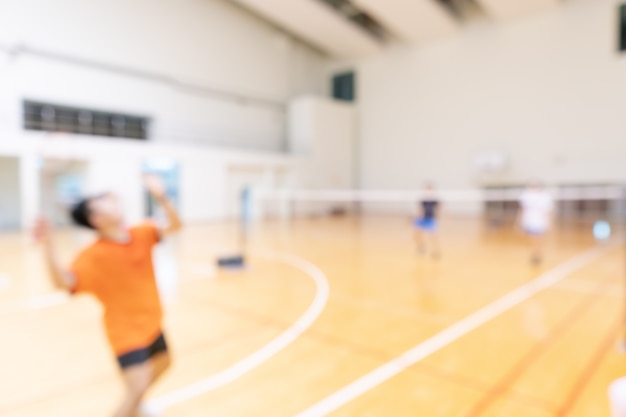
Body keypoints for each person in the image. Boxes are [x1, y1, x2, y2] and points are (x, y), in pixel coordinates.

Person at [34, 175, 182, 417]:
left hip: (152, 322)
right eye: (103, 202)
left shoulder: (141, 232)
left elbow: (176, 226)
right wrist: (49, 245)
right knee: (137, 387)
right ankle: (133, 408)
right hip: (125, 332)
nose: (113, 202)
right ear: (96, 219)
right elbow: (63, 283)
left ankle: (136, 408)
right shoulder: (93, 256)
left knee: (164, 363)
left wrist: (161, 197)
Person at [518, 182, 554, 265]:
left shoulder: (544, 196)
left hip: (539, 221)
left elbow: (548, 211)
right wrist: (520, 222)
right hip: (529, 221)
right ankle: (535, 254)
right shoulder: (526, 195)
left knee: (537, 238)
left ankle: (536, 254)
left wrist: (549, 222)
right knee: (532, 238)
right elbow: (522, 210)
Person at [414, 183, 440, 258]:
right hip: (422, 219)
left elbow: (438, 210)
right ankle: (421, 246)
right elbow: (420, 210)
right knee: (417, 234)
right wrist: (417, 217)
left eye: (430, 189)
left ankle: (436, 251)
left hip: (430, 219)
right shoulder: (423, 200)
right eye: (427, 189)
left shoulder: (435, 201)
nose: (428, 191)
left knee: (433, 236)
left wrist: (440, 216)